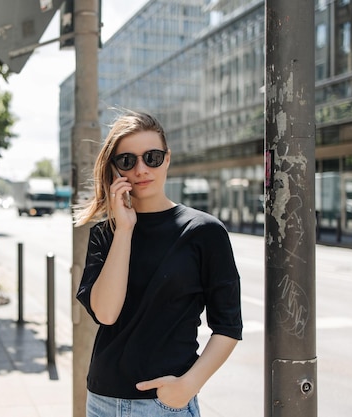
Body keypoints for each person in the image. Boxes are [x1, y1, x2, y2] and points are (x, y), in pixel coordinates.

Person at [74, 110, 243, 417]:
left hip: (164, 406)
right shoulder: (106, 233)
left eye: (151, 157)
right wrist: (124, 229)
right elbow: (106, 313)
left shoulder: (204, 232)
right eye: (127, 160)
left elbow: (228, 327)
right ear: (115, 169)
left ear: (167, 159)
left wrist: (188, 386)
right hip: (102, 402)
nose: (141, 169)